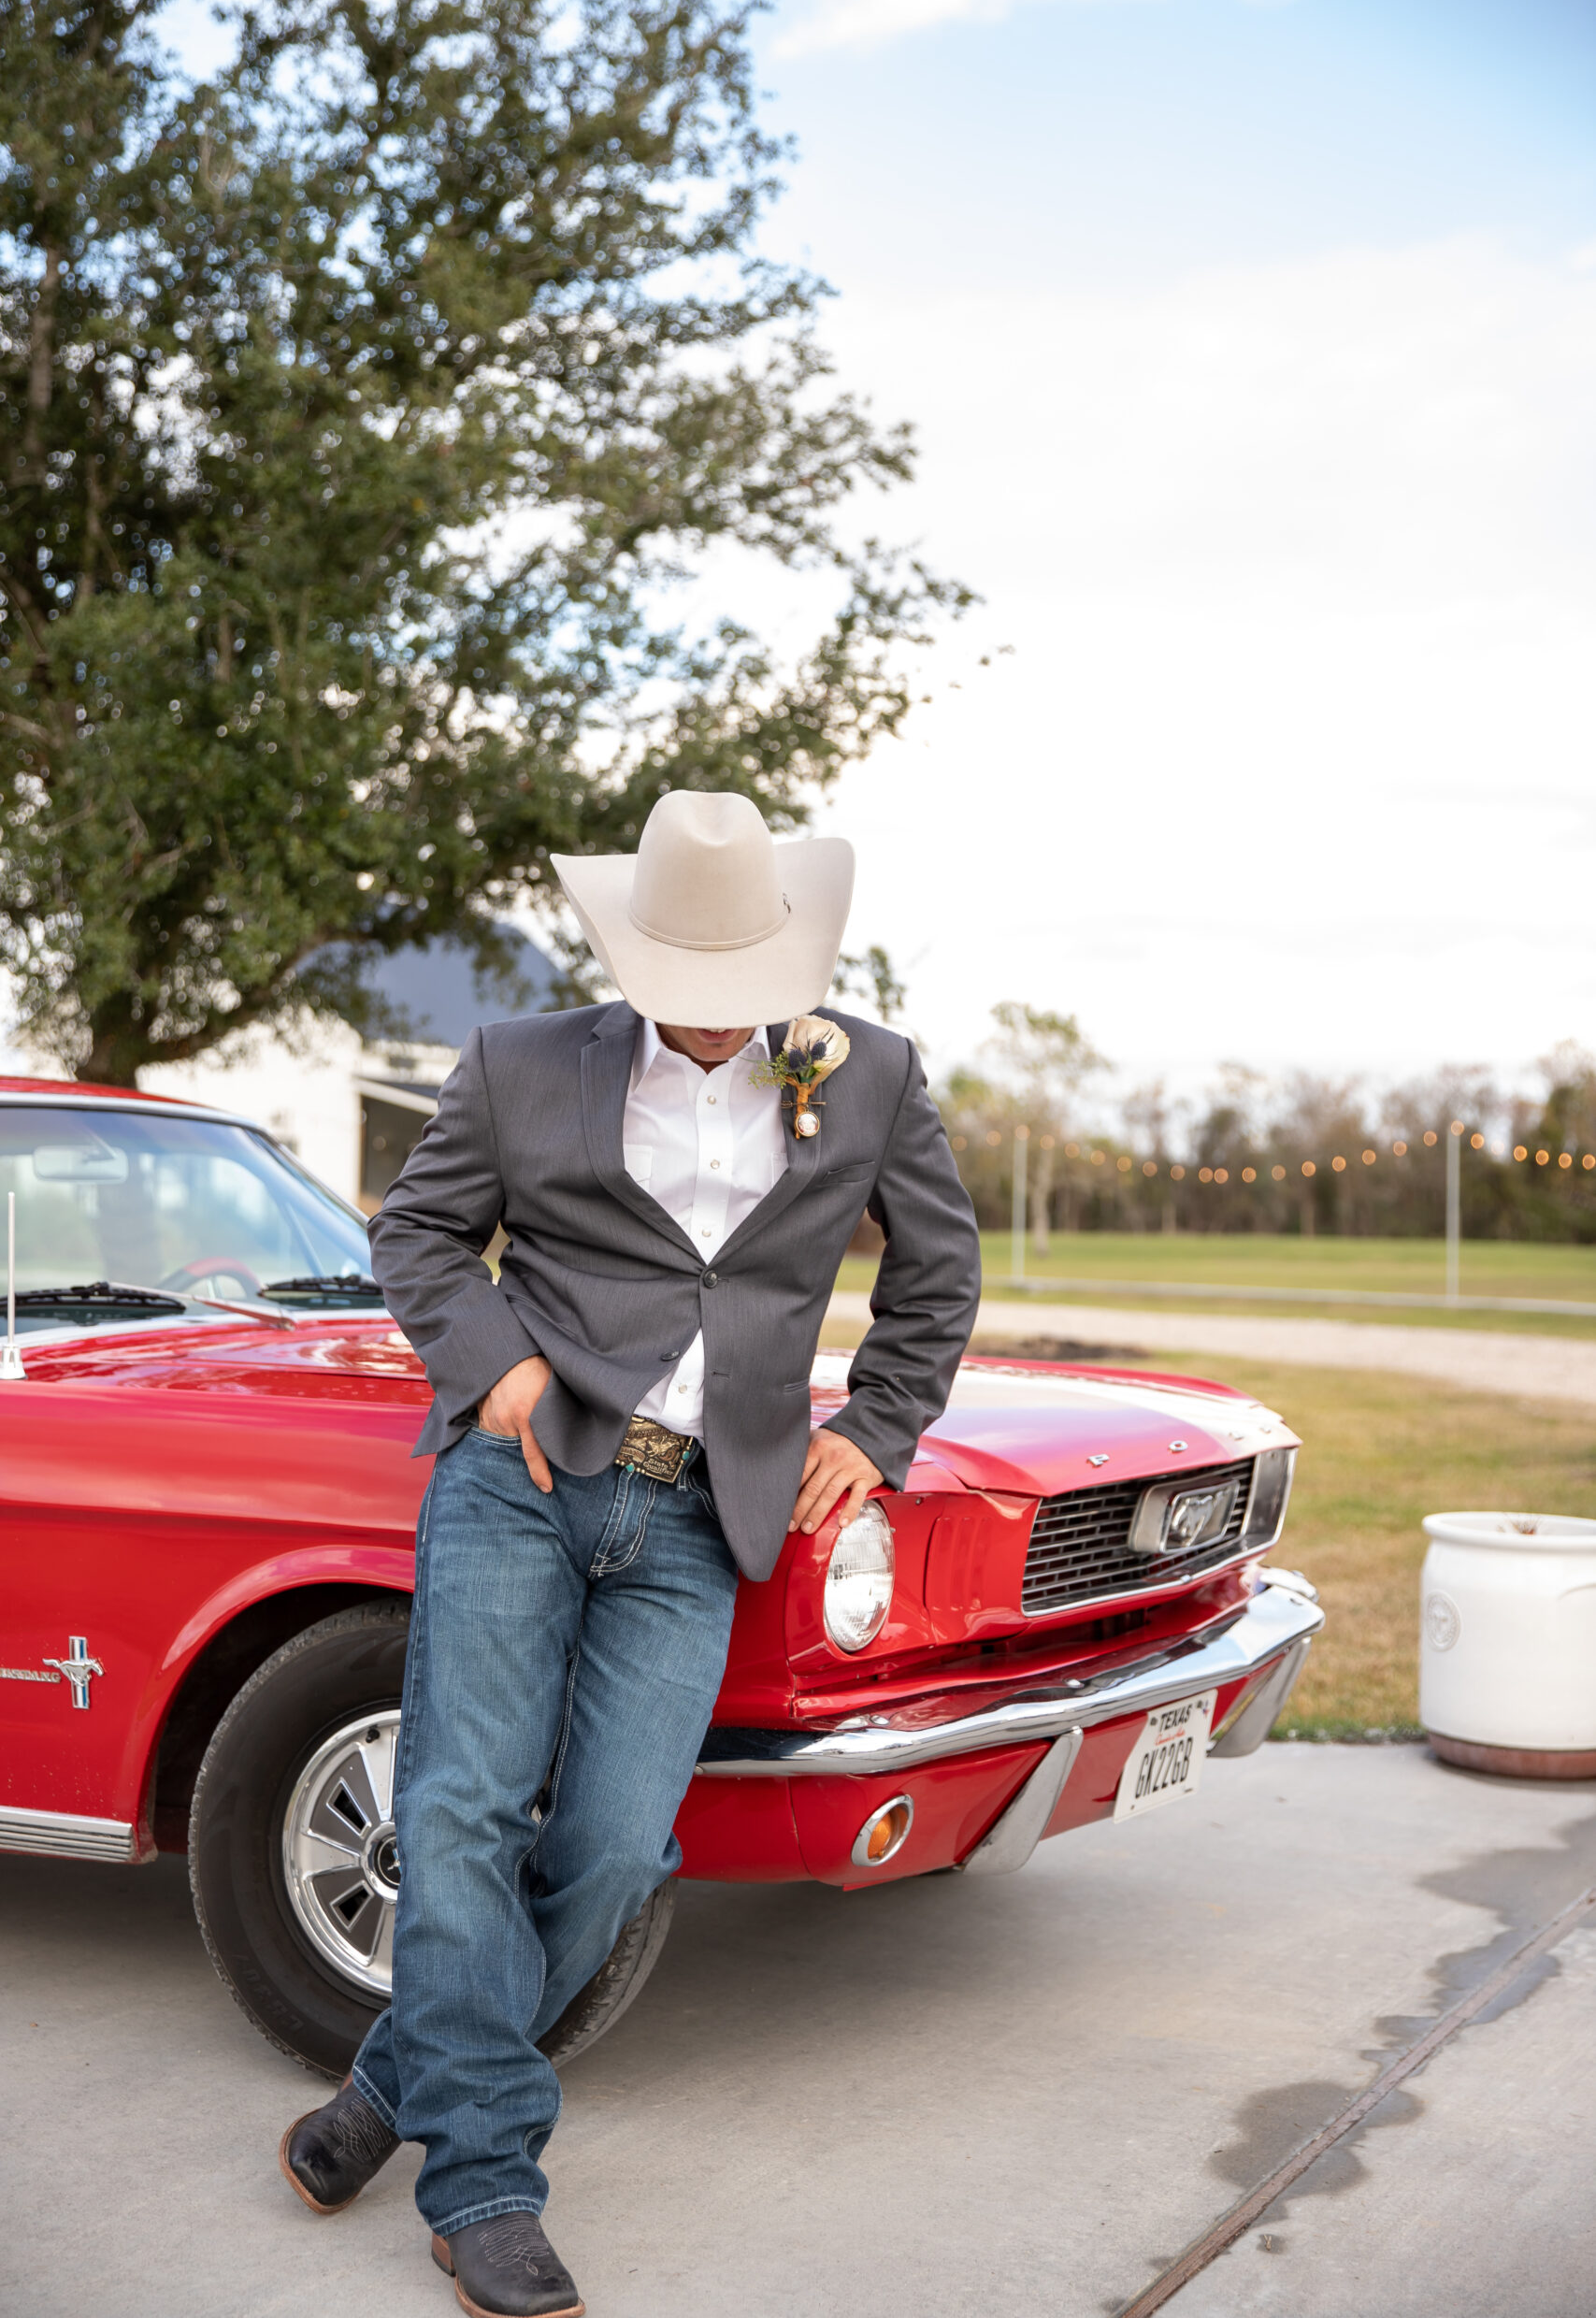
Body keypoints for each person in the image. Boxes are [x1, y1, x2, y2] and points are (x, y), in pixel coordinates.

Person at [277, 789, 981, 2318]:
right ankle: (485, 2186)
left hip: (697, 1515)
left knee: (613, 1847)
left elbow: (940, 1268)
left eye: (746, 999)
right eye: (690, 997)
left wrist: (879, 1426)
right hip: (518, 1477)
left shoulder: (870, 1079)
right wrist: (499, 1367)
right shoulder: (519, 1063)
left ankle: (390, 2092)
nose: (720, 1027)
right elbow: (416, 1236)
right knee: (458, 1805)